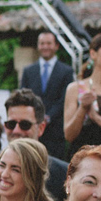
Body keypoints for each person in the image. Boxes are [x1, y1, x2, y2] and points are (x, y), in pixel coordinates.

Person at [20, 30, 76, 160]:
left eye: (49, 43)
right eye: (42, 43)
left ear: (56, 46)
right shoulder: (29, 71)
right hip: (32, 130)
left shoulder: (66, 71)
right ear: (38, 46)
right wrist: (36, 118)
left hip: (55, 132)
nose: (45, 46)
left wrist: (48, 117)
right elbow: (24, 97)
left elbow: (65, 99)